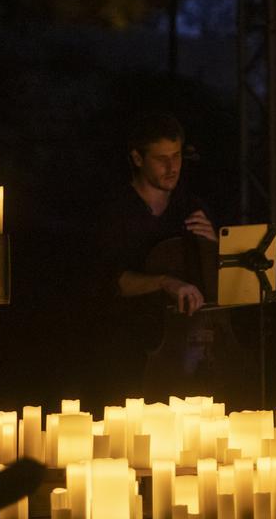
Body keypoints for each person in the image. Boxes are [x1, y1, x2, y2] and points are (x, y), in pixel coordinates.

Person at [97, 112, 224, 398]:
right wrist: (166, 282)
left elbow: (220, 281)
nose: (172, 167)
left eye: (176, 156)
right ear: (137, 158)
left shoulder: (192, 207)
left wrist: (214, 246)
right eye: (161, 159)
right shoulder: (117, 211)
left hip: (194, 341)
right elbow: (113, 281)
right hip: (132, 344)